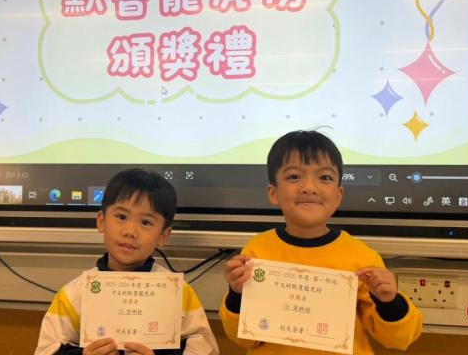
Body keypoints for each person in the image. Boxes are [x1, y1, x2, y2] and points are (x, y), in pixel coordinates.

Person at [220, 130, 422, 354]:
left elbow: (398, 339)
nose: (310, 187)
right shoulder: (256, 251)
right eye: (294, 177)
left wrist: (389, 302)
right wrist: (236, 296)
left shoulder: (361, 257)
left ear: (339, 195)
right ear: (273, 193)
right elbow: (244, 339)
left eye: (325, 177)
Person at [35, 168, 219, 355]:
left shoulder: (178, 293)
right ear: (101, 221)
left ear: (163, 235)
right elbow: (46, 349)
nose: (130, 231)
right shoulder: (73, 294)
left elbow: (205, 349)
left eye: (146, 222)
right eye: (121, 217)